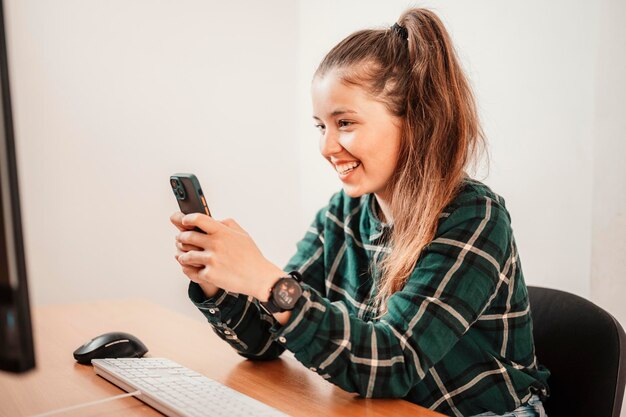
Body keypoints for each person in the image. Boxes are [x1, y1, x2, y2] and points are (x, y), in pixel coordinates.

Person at [170, 7, 550, 417]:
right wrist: (219, 280)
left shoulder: (474, 217)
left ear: (416, 122)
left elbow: (391, 363)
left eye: (345, 123)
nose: (327, 147)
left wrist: (266, 279)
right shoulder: (344, 211)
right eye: (320, 126)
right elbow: (264, 342)